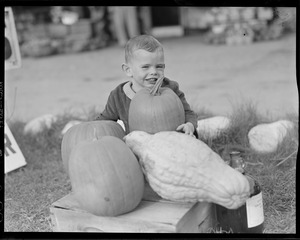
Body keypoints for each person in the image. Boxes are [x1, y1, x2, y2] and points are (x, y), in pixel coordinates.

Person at [96, 34, 198, 137]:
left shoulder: (170, 88)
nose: (153, 72)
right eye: (145, 67)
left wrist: (190, 125)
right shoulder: (118, 96)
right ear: (128, 70)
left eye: (159, 66)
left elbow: (188, 113)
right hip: (138, 146)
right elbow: (103, 123)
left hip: (171, 141)